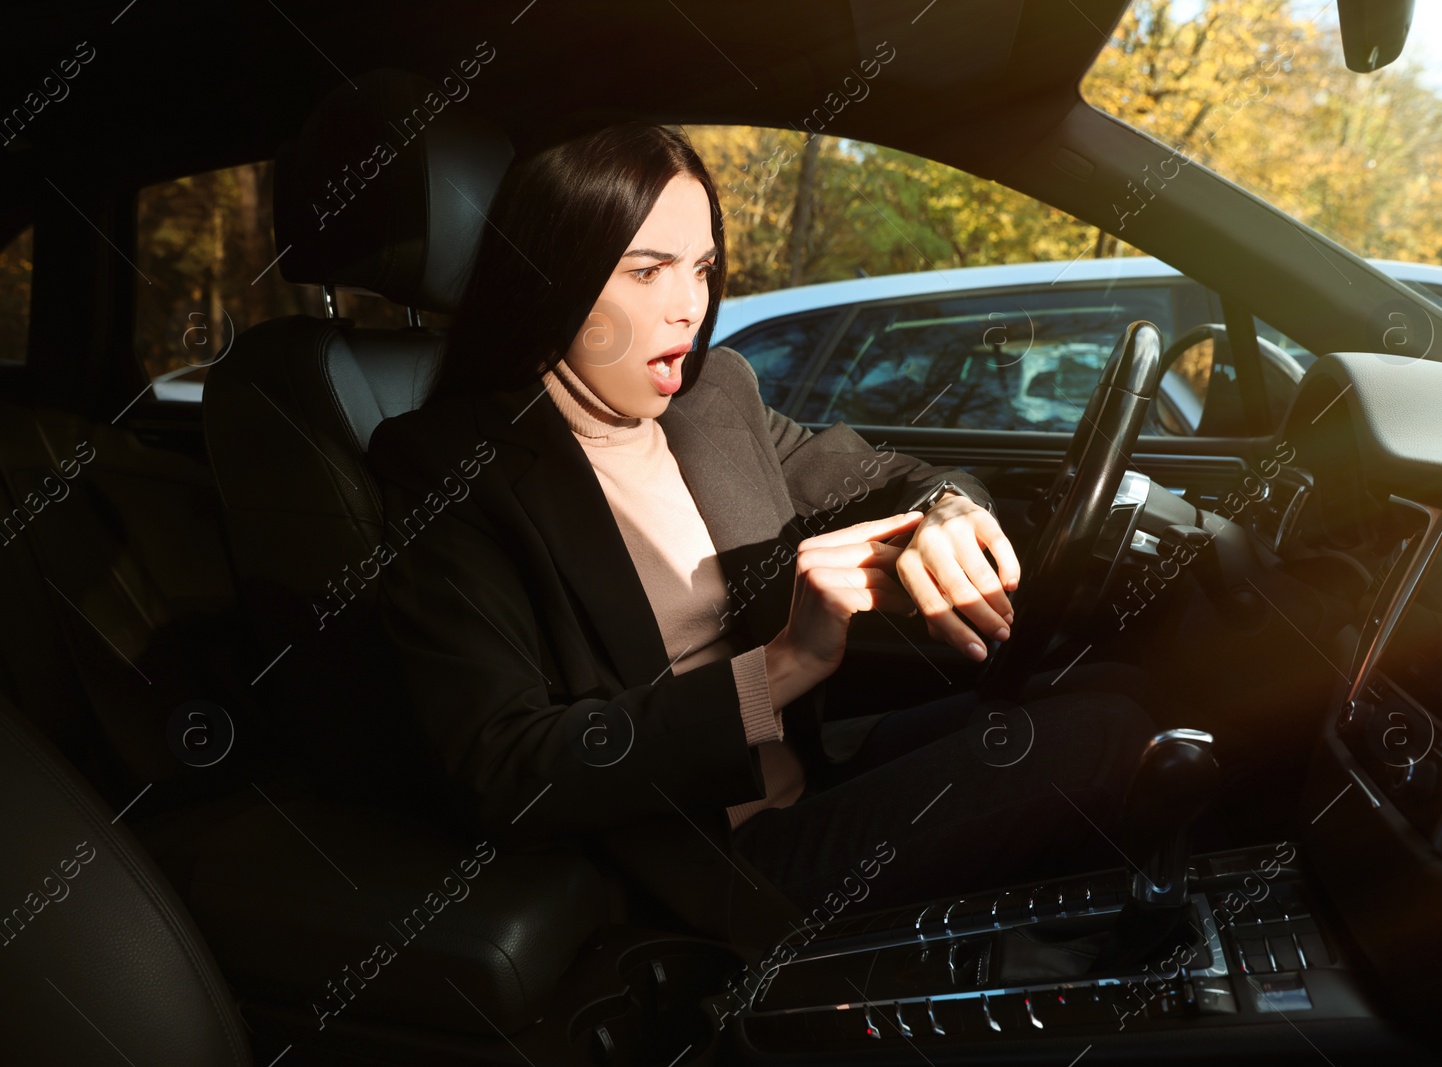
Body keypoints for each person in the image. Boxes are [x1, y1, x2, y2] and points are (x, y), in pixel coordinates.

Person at [367, 123, 1154, 949]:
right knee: (1104, 740)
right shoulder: (451, 468)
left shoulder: (715, 397)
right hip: (710, 858)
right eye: (646, 271)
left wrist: (952, 509)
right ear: (551, 280)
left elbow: (889, 476)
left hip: (816, 768)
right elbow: (505, 769)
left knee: (1116, 681)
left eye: (702, 267)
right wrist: (785, 664)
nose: (689, 305)